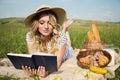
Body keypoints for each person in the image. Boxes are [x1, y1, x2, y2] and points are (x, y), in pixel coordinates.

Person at [23, 4, 74, 78]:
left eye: (49, 23)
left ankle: (65, 29)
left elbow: (56, 64)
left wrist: (46, 73)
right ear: (36, 24)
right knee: (63, 37)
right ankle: (65, 28)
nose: (46, 27)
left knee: (69, 46)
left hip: (66, 52)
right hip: (58, 40)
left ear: (53, 24)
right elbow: (33, 59)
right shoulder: (30, 36)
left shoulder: (60, 37)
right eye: (42, 23)